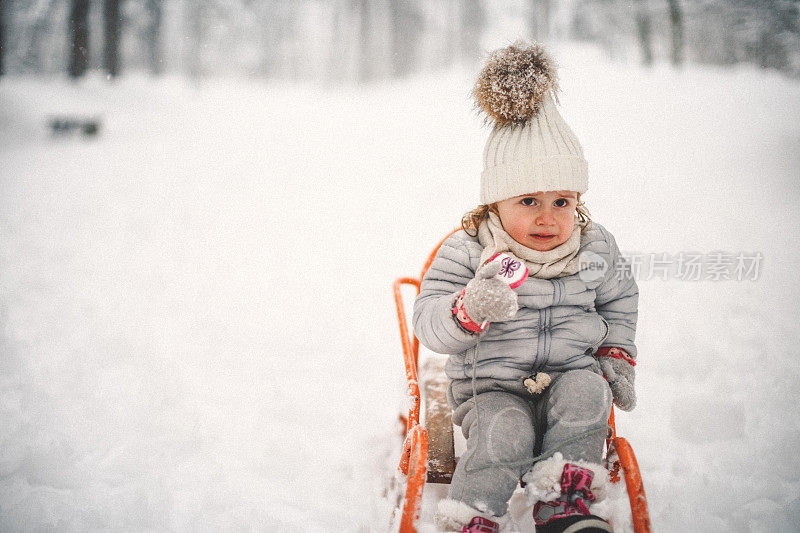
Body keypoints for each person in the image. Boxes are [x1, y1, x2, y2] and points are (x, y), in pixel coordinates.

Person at [412, 41, 639, 533]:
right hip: (492, 385)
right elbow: (428, 323)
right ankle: (474, 515)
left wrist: (616, 354)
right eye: (529, 199)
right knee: (504, 432)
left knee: (587, 396)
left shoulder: (594, 247)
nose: (547, 216)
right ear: (495, 202)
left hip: (569, 371)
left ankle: (566, 506)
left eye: (562, 201)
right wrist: (468, 308)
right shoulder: (469, 250)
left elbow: (620, 299)